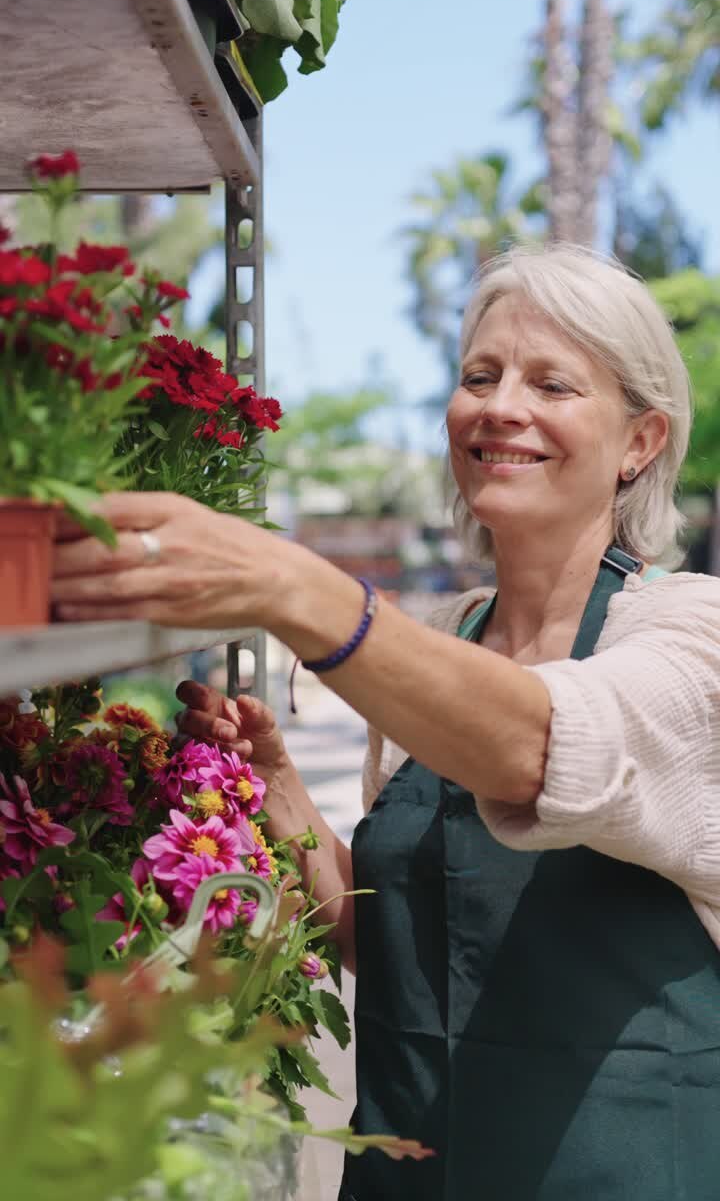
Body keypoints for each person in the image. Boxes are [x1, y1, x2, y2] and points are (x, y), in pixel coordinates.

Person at [52, 245, 720, 1200]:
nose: (500, 406)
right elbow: (395, 940)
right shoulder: (444, 641)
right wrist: (275, 785)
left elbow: (542, 746)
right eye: (478, 377)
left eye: (553, 383)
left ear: (640, 442)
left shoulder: (693, 634)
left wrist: (293, 585)